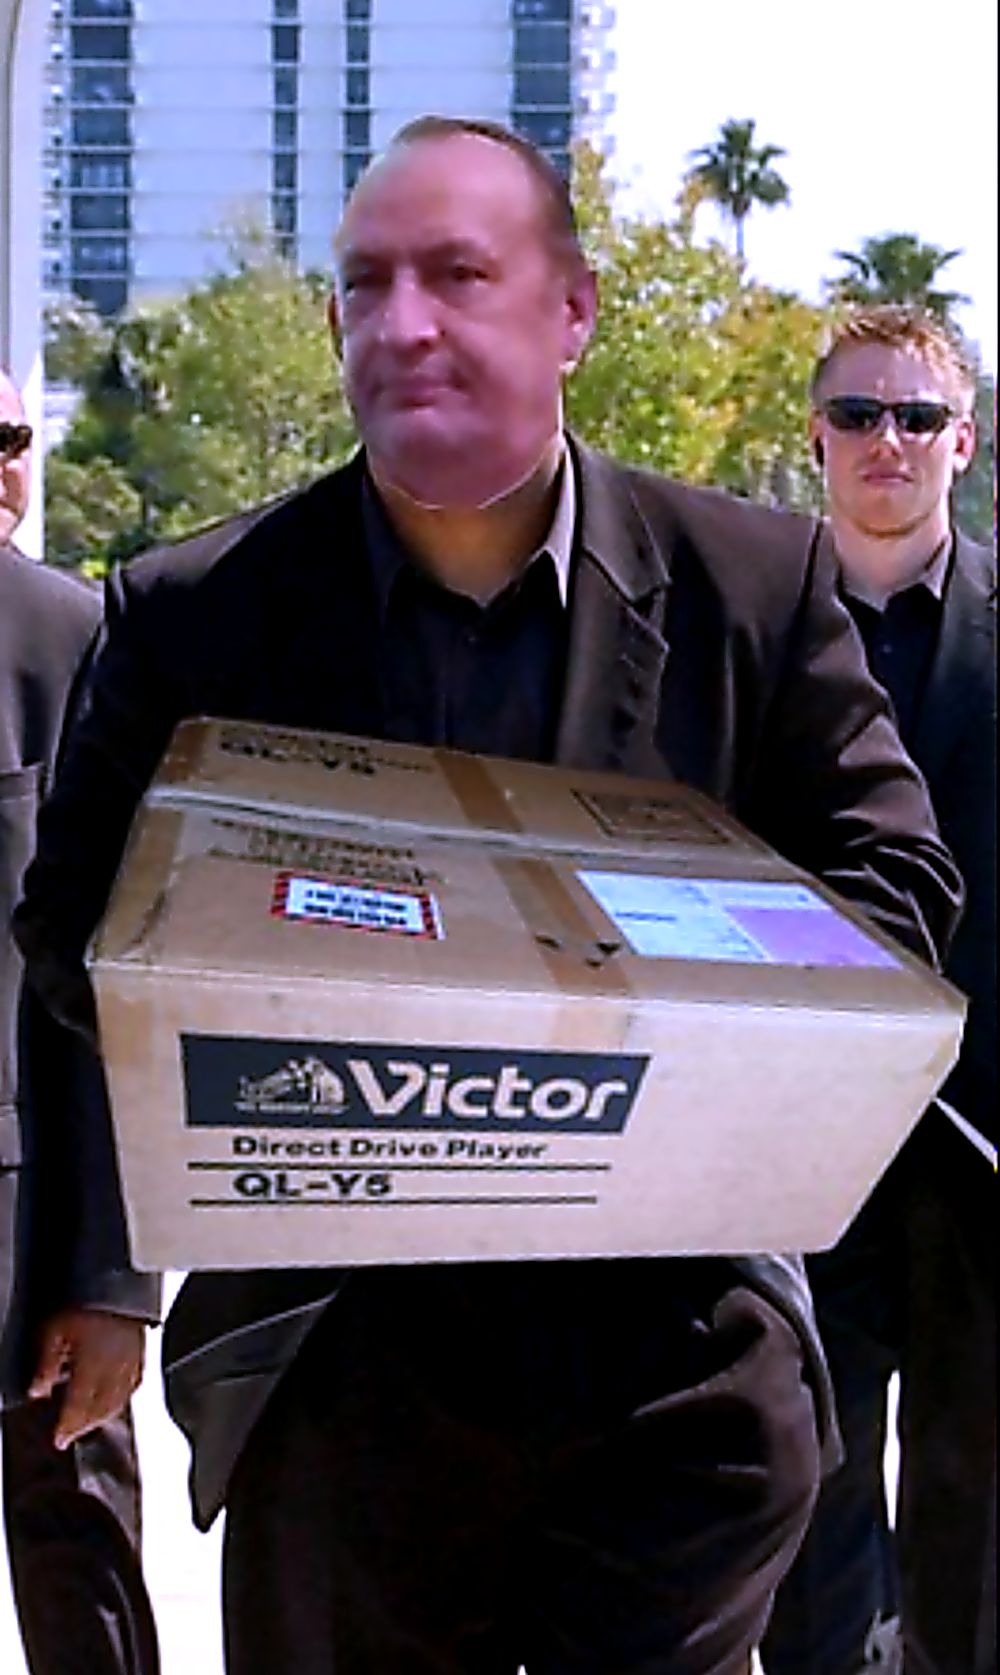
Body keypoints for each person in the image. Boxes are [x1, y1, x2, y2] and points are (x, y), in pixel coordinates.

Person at [14, 121, 963, 1675]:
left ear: (571, 310)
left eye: (460, 275)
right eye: (366, 284)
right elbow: (67, 929)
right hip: (336, 1366)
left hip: (679, 1363)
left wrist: (654, 973)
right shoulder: (199, 613)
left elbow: (898, 889)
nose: (405, 323)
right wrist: (247, 967)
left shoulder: (751, 583)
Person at [763, 309, 996, 1675]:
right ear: (817, 437)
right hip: (795, 1133)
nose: (887, 442)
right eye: (858, 415)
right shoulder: (747, 625)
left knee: (978, 1491)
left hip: (986, 1134)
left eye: (917, 417)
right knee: (805, 1473)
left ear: (964, 441)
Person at [0, 370, 160, 1674]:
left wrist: (112, 1280)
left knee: (86, 1607)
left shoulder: (72, 640)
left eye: (9, 436)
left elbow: (115, 979)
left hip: (31, 1247)